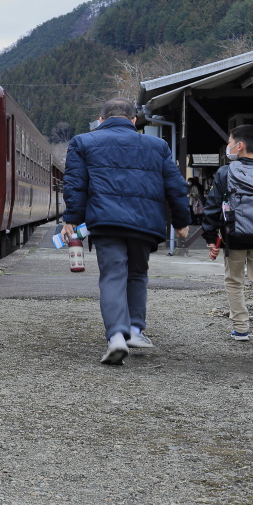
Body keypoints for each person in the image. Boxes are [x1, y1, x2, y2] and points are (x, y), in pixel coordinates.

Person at [62, 98, 190, 365]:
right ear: (134, 121)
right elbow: (175, 187)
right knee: (137, 274)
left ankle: (117, 338)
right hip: (145, 223)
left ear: (100, 120)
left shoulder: (83, 142)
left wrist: (71, 220)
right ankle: (134, 330)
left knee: (112, 276)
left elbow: (75, 185)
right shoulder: (157, 146)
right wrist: (180, 222)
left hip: (106, 223)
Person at [200, 124, 253, 350]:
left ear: (240, 146)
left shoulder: (226, 172)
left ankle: (241, 328)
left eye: (229, 142)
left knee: (234, 281)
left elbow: (213, 207)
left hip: (234, 237)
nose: (228, 147)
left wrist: (209, 238)